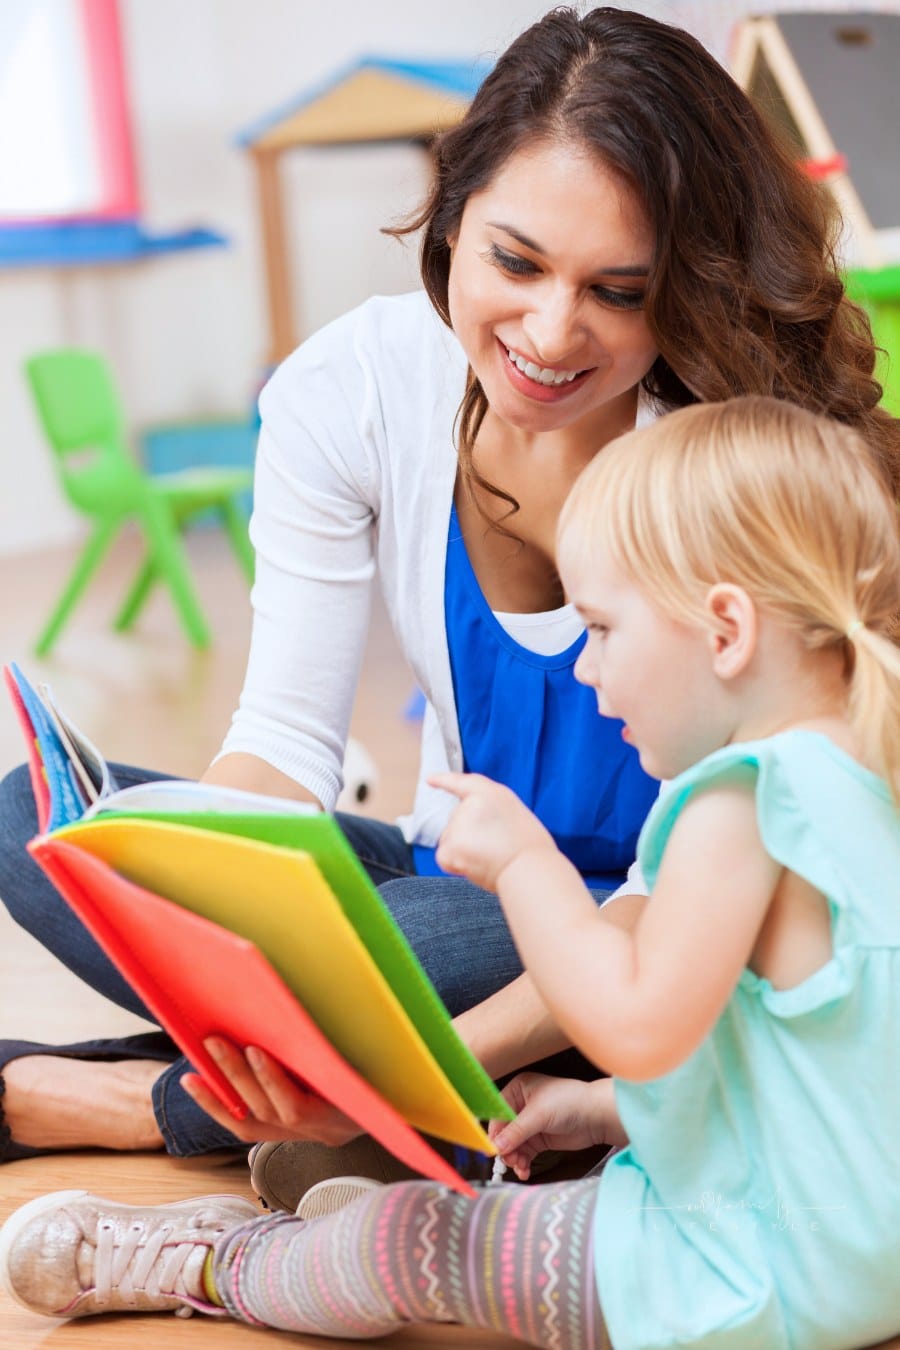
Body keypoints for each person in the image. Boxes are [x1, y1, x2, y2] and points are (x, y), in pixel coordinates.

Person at [1, 5, 898, 1179]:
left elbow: (680, 896)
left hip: (663, 922)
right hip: (466, 875)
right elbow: (278, 749)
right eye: (515, 262)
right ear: (450, 212)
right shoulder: (356, 389)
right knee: (49, 824)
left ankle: (136, 1102)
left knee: (417, 950)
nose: (551, 330)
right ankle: (319, 1082)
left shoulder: (722, 458)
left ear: (683, 282)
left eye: (618, 292)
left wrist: (386, 1039)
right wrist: (210, 909)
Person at [3, 394, 899, 1350]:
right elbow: (811, 1066)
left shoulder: (740, 798)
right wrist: (604, 1110)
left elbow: (639, 1024)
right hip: (853, 1255)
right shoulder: (857, 779)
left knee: (411, 1243)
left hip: (731, 1270)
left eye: (600, 629)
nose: (587, 673)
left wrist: (527, 869)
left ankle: (219, 1263)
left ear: (725, 631)